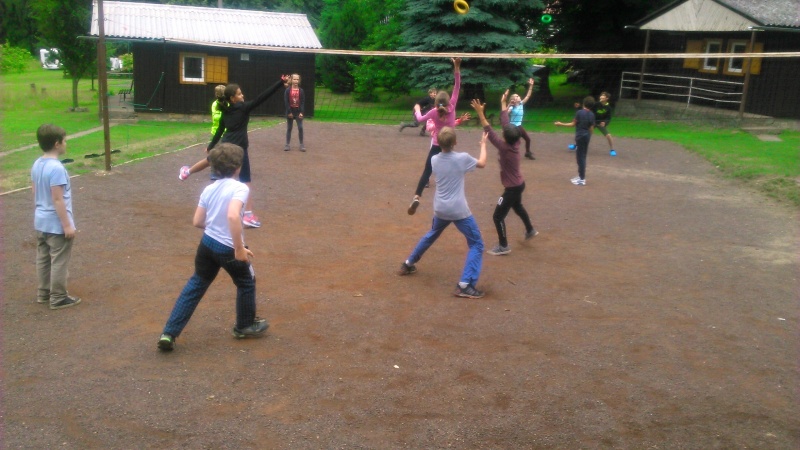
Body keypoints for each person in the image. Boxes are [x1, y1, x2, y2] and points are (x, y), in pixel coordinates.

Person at [158, 143, 269, 351]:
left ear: (214, 167)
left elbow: (198, 221)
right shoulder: (240, 188)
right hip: (228, 248)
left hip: (207, 244)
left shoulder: (209, 189)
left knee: (196, 284)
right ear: (237, 167)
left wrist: (217, 227)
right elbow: (233, 215)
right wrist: (239, 248)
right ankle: (244, 326)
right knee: (246, 281)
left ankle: (169, 333)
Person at [179, 76, 289, 228]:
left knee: (209, 161)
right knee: (245, 180)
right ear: (233, 98)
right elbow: (263, 97)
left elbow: (220, 131)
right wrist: (280, 83)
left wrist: (211, 146)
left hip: (226, 145)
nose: (242, 95)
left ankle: (187, 172)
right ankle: (248, 215)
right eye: (239, 94)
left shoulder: (226, 111)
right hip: (239, 149)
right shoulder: (244, 108)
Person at [397, 126, 488, 299]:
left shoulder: (434, 160)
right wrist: (483, 144)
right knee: (477, 244)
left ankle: (408, 263)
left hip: (440, 208)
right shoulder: (462, 158)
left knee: (432, 234)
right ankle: (465, 285)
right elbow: (482, 163)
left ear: (438, 143)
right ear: (455, 142)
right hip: (458, 210)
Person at [472, 97, 537, 256]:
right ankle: (530, 230)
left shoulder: (504, 148)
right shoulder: (516, 143)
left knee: (497, 216)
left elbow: (489, 131)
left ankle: (503, 246)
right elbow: (505, 123)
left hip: (512, 188)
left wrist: (480, 113)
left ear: (505, 136)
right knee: (517, 206)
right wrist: (502, 104)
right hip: (519, 184)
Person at [31, 124, 81, 310]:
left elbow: (35, 191)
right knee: (59, 260)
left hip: (40, 221)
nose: (66, 143)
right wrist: (67, 225)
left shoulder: (37, 164)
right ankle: (58, 297)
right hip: (55, 224)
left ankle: (43, 293)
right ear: (57, 144)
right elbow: (58, 199)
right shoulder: (57, 168)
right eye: (64, 140)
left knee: (43, 258)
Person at [407, 57, 461, 215]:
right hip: (450, 143)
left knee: (427, 171)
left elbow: (419, 119)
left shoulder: (433, 112)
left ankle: (417, 196)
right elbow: (457, 86)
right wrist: (456, 67)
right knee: (451, 169)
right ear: (448, 101)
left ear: (436, 102)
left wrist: (417, 109)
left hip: (437, 144)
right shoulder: (452, 106)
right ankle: (451, 198)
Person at [555, 96, 595, 186]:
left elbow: (573, 124)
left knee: (580, 157)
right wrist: (589, 136)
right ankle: (580, 176)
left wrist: (560, 124)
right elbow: (591, 128)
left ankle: (582, 179)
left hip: (580, 136)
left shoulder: (579, 112)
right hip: (586, 136)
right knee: (582, 156)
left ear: (584, 103)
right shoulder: (592, 114)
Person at [507, 77, 536, 160]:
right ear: (514, 100)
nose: (519, 97)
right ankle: (511, 154)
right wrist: (509, 105)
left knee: (527, 139)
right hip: (514, 127)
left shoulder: (521, 104)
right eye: (517, 96)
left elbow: (528, 95)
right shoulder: (512, 107)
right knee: (516, 142)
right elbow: (505, 113)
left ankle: (527, 153)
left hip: (518, 126)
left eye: (518, 96)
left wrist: (531, 86)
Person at [284, 73, 306, 152]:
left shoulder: (301, 91)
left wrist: (301, 112)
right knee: (289, 128)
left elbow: (302, 102)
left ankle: (301, 144)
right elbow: (286, 102)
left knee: (300, 127)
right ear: (291, 80)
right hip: (290, 111)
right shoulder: (287, 90)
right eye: (294, 79)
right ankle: (287, 144)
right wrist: (289, 112)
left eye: (297, 79)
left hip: (298, 111)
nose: (296, 81)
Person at [594, 91, 616, 156]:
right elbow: (588, 108)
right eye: (601, 95)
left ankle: (612, 150)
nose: (601, 97)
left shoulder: (608, 108)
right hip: (593, 122)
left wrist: (605, 122)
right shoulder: (596, 104)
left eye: (603, 96)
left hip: (600, 124)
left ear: (607, 98)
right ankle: (576, 145)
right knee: (584, 133)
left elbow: (608, 118)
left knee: (608, 135)